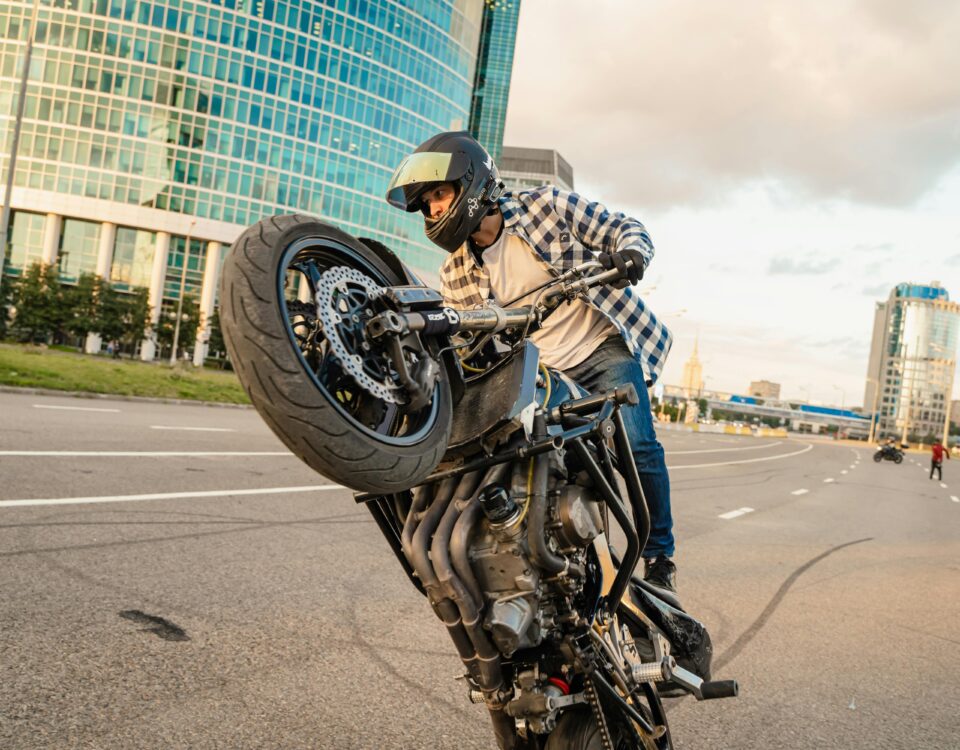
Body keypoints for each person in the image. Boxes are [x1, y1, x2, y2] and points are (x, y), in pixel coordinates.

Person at [386, 132, 677, 591]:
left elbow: (624, 226)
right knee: (548, 464)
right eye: (425, 205)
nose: (433, 210)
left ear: (471, 181)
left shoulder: (546, 206)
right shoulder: (455, 272)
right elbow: (467, 346)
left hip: (600, 348)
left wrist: (631, 254)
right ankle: (580, 564)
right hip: (542, 374)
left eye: (438, 195)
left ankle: (660, 557)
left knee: (638, 448)